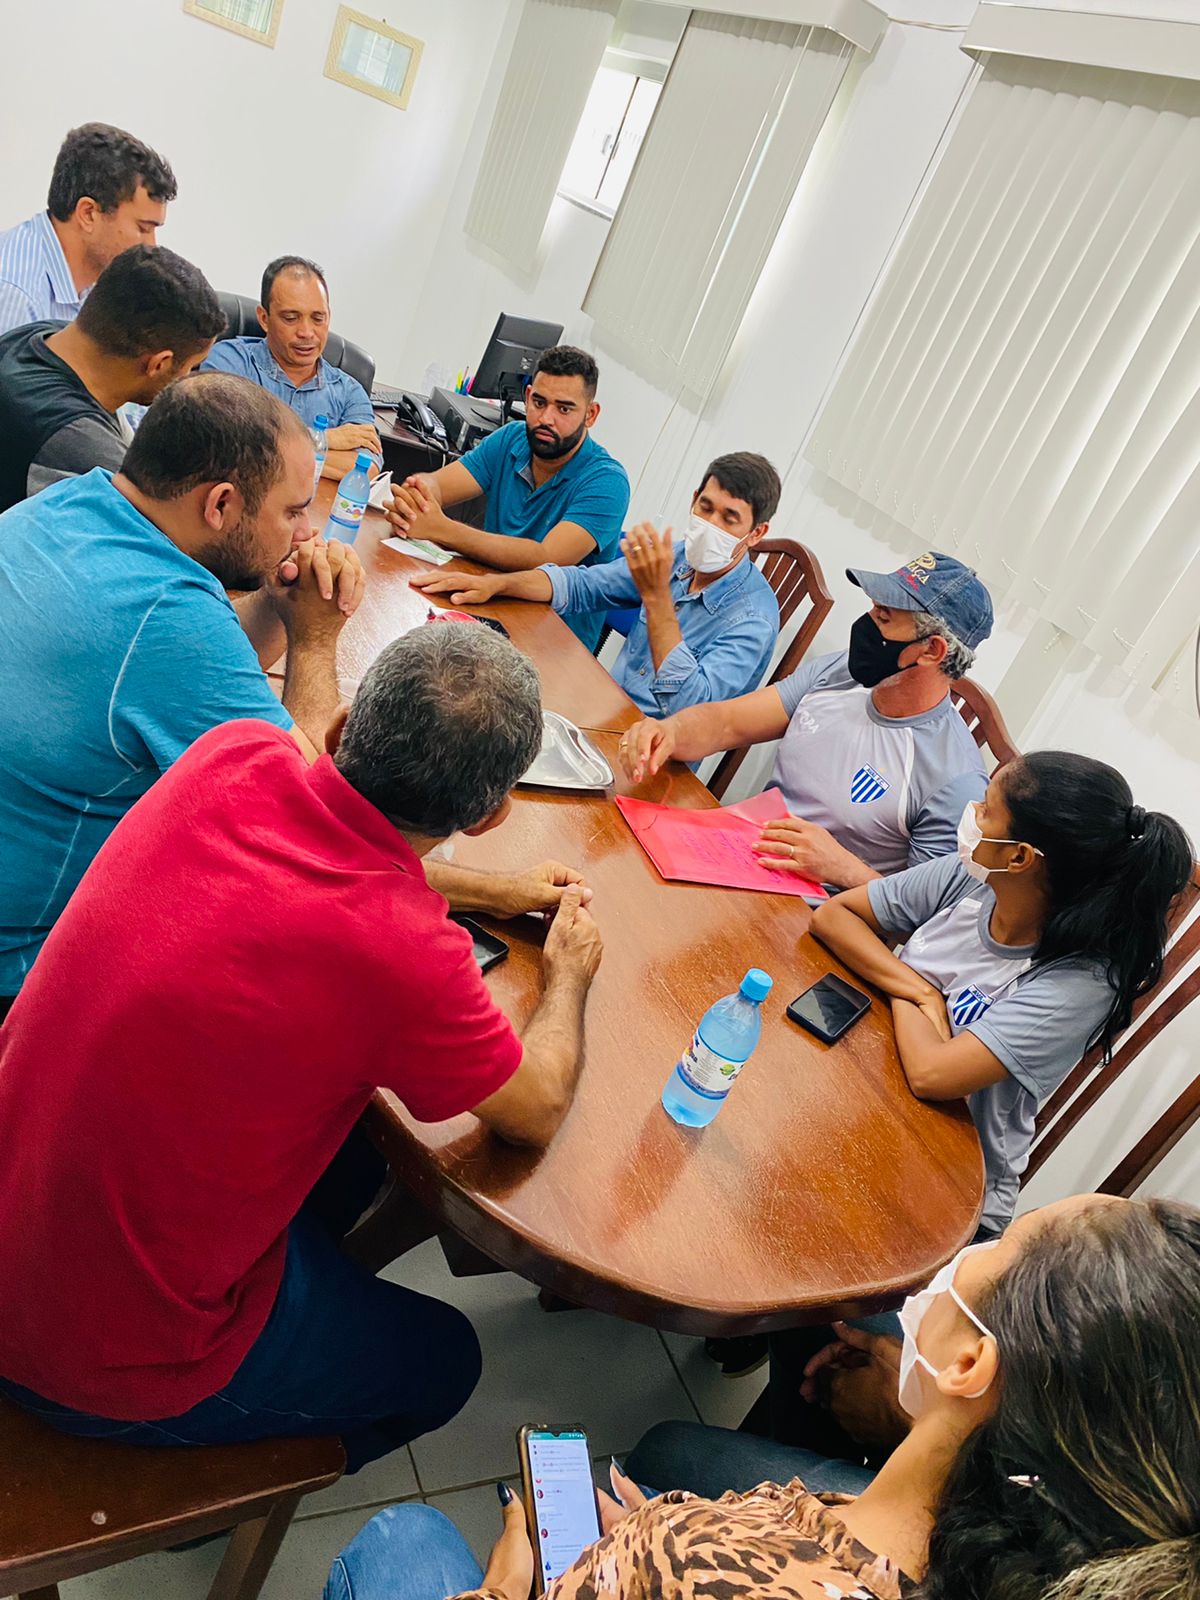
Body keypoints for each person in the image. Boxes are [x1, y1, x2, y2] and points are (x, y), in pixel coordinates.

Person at [0, 625, 604, 1472]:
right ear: (489, 812)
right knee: (445, 1361)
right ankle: (211, 1497)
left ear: (344, 725)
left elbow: (345, 837)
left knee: (354, 1149)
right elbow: (535, 1110)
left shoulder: (234, 756)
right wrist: (569, 972)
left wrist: (501, 893)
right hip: (89, 1356)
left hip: (20, 1212)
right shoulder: (403, 954)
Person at [325, 1193, 1200, 1599]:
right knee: (669, 1453)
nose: (968, 1259)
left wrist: (511, 1589)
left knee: (407, 1536)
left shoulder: (697, 1559)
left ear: (972, 1365)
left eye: (1001, 1244)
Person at [731, 748, 1194, 1449]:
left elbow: (937, 1076)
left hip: (946, 1193)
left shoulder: (1079, 979)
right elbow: (836, 920)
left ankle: (768, 1444)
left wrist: (906, 985)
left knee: (816, 1298)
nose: (971, 817)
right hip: (867, 1107)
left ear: (1024, 857)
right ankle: (748, 1327)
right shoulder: (975, 878)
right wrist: (919, 989)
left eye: (989, 812)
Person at [0, 371, 365, 1015]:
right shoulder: (169, 615)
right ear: (220, 504)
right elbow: (314, 829)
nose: (305, 533)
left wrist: (278, 606)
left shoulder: (70, 502)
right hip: (22, 976)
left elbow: (190, 698)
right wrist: (314, 636)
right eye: (291, 510)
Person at [618, 551, 994, 890]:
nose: (865, 624)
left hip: (813, 923)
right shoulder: (839, 672)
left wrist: (841, 868)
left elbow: (922, 915)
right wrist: (670, 731)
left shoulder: (954, 781)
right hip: (738, 858)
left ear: (932, 650)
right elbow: (729, 723)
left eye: (883, 617)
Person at [411, 452, 781, 719]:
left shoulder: (753, 619)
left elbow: (690, 705)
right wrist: (496, 584)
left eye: (729, 518)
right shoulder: (680, 555)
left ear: (756, 533)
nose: (710, 523)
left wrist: (655, 598)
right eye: (705, 507)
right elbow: (583, 585)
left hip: (661, 755)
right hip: (603, 711)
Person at [385, 346, 631, 651]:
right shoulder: (512, 437)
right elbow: (439, 484)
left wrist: (441, 529)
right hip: (483, 604)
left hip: (551, 643)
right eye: (539, 403)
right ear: (527, 396)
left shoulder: (608, 481)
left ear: (590, 415)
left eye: (564, 409)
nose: (546, 419)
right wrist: (418, 496)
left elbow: (545, 557)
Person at [0, 244, 225, 511]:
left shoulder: (39, 335)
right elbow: (154, 536)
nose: (188, 378)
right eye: (190, 367)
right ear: (159, 364)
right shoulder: (84, 447)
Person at [201, 254, 382, 479]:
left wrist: (265, 452)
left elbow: (366, 468)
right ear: (264, 318)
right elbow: (221, 439)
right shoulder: (232, 361)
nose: (306, 332)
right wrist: (323, 440)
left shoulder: (349, 391)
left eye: (318, 318)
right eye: (290, 318)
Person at [0, 122, 176, 334]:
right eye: (143, 228)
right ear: (88, 214)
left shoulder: (104, 278)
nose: (152, 245)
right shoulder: (17, 292)